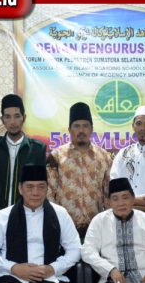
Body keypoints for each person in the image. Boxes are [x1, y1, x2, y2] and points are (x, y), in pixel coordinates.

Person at [47, 102, 112, 238]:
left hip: (96, 229)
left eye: (85, 126)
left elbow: (108, 194)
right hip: (64, 229)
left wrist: (108, 224)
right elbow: (49, 193)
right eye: (76, 126)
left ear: (91, 129)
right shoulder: (57, 156)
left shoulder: (104, 156)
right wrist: (54, 223)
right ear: (69, 130)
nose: (81, 130)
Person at [0, 94, 47, 218]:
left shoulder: (37, 149)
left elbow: (37, 186)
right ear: (2, 120)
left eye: (17, 116)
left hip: (26, 216)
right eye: (7, 117)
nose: (12, 122)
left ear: (24, 118)